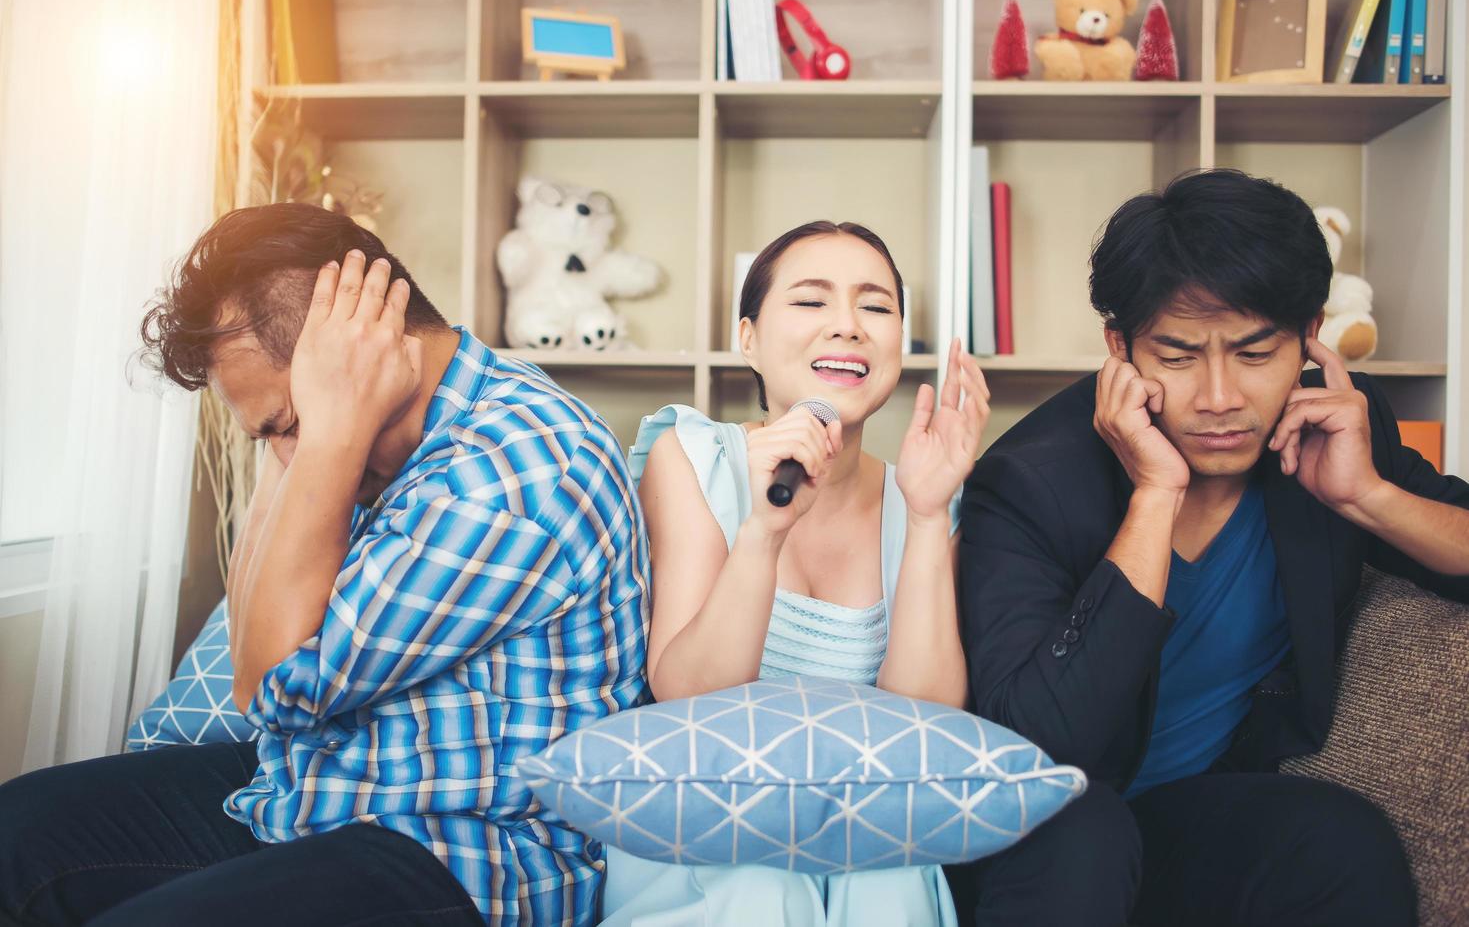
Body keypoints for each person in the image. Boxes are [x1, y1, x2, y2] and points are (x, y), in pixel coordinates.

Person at [0, 203, 649, 926]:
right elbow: (252, 627)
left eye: (286, 426)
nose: (286, 454)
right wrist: (312, 433)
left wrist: (331, 426)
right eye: (268, 438)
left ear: (353, 356)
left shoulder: (509, 469)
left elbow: (272, 686)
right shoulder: (386, 434)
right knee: (16, 832)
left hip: (464, 851)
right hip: (319, 787)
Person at [949, 169, 1469, 927]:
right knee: (1083, 831)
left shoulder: (1333, 428)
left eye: (1256, 355)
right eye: (1179, 355)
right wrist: (1153, 496)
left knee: (1339, 840)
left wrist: (1369, 498)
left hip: (1179, 824)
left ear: (1309, 339)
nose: (1219, 397)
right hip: (1028, 838)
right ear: (1118, 346)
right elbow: (1040, 744)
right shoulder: (1029, 482)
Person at [598, 221, 988, 926]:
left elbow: (927, 724)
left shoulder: (926, 493)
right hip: (708, 810)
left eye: (875, 308)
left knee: (888, 882)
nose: (846, 327)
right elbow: (683, 693)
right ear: (747, 336)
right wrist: (763, 532)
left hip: (857, 816)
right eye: (811, 302)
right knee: (755, 888)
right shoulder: (692, 456)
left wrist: (929, 516)